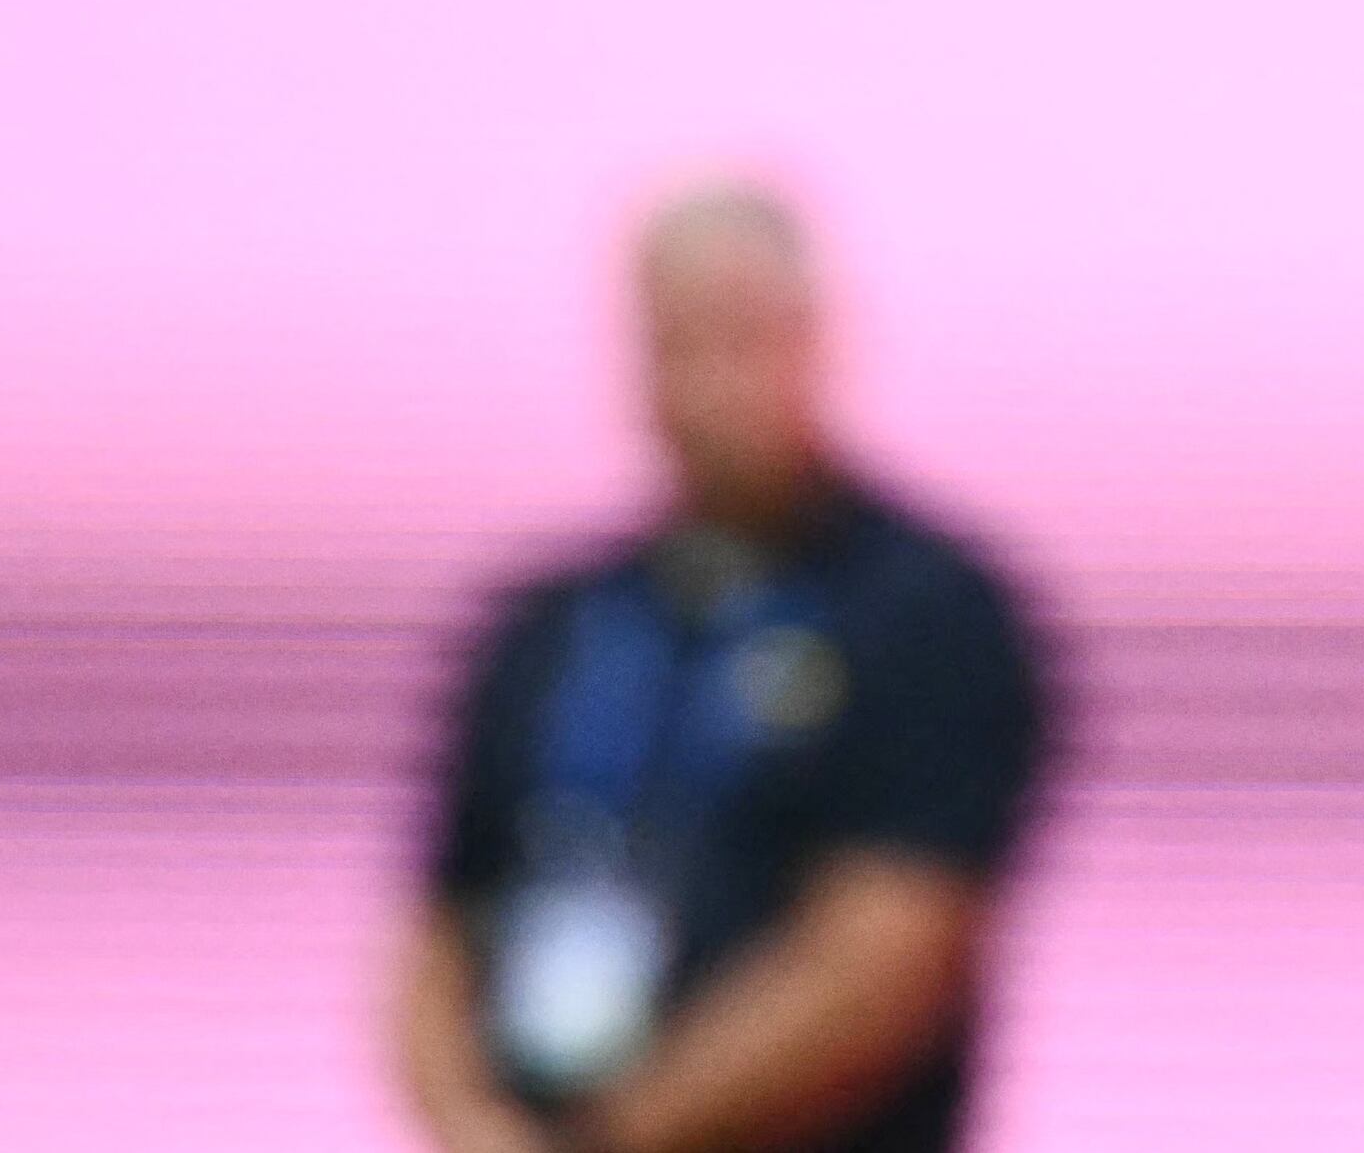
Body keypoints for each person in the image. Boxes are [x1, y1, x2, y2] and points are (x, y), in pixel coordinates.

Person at [400, 185, 1049, 1153]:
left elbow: (886, 956)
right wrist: (471, 1125)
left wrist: (623, 1136)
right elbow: (436, 930)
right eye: (675, 341)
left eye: (740, 336)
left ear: (816, 338)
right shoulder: (550, 622)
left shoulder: (927, 613)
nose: (708, 382)